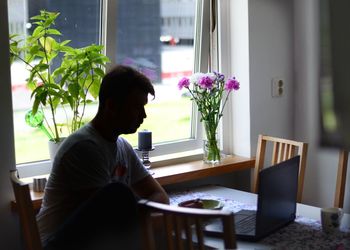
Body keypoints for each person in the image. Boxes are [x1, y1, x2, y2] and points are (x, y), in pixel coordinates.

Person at [36, 65, 169, 250]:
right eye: (137, 107)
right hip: (58, 245)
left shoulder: (122, 146)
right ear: (111, 106)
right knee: (118, 194)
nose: (144, 115)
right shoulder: (84, 149)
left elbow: (160, 196)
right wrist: (161, 216)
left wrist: (143, 214)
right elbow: (106, 226)